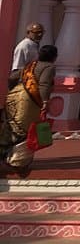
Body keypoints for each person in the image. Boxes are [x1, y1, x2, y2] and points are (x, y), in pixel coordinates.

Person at [1, 44, 57, 172]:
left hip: (14, 97)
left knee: (10, 127)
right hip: (29, 100)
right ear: (54, 57)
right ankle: (17, 161)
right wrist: (45, 102)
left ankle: (5, 155)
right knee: (25, 129)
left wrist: (14, 90)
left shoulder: (30, 66)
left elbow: (12, 77)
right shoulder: (49, 67)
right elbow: (44, 84)